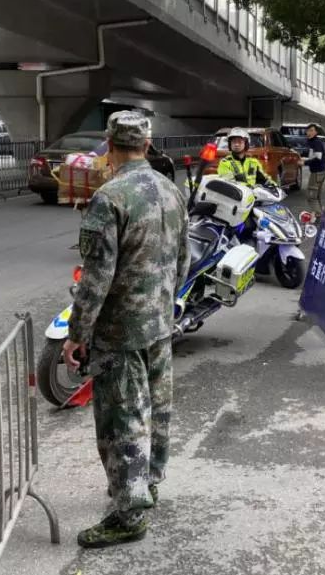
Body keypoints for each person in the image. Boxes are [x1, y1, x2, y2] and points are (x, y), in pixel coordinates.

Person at [62, 112, 189, 548]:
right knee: (156, 408)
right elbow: (184, 259)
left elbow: (96, 277)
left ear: (109, 144)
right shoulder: (171, 190)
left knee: (122, 419)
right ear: (148, 145)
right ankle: (148, 482)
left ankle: (129, 513)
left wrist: (77, 333)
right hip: (159, 320)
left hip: (121, 328)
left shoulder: (110, 196)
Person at [304, 123, 325, 219]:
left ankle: (319, 215)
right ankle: (319, 215)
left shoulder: (316, 142)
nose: (309, 132)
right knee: (316, 197)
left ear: (316, 132)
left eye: (312, 130)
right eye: (308, 130)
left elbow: (318, 158)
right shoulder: (312, 142)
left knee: (311, 198)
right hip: (319, 172)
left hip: (316, 173)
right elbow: (313, 156)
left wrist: (305, 163)